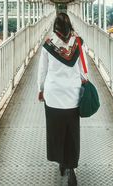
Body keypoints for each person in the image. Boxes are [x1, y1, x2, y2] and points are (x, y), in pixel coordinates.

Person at [37, 13, 88, 186]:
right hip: (72, 96)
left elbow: (42, 71)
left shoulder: (48, 44)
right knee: (72, 133)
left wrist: (40, 89)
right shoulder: (78, 43)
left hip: (53, 95)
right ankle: (71, 168)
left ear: (55, 27)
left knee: (56, 131)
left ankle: (60, 162)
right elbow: (83, 71)